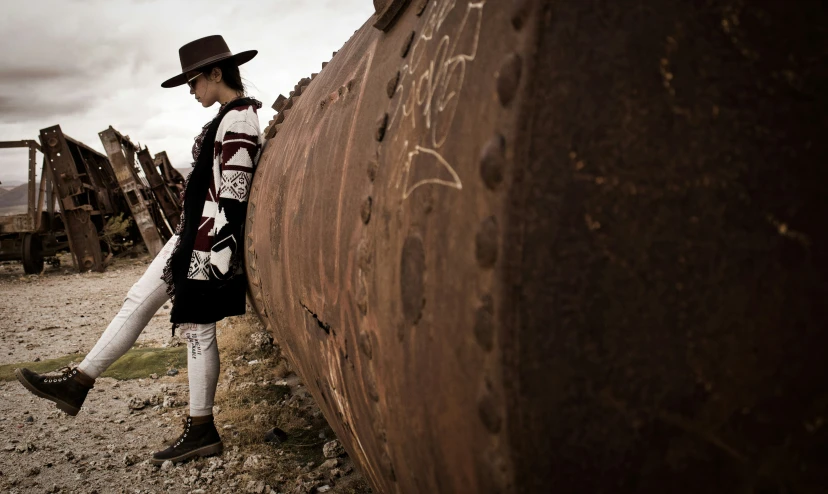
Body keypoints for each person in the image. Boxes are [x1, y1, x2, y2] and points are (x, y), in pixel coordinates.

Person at [14, 35, 264, 466]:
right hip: (192, 237)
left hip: (208, 242)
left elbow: (235, 192)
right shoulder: (227, 117)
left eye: (193, 80)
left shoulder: (239, 119)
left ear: (216, 73)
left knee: (198, 331)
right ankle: (79, 381)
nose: (191, 89)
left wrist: (219, 256)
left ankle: (201, 428)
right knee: (138, 300)